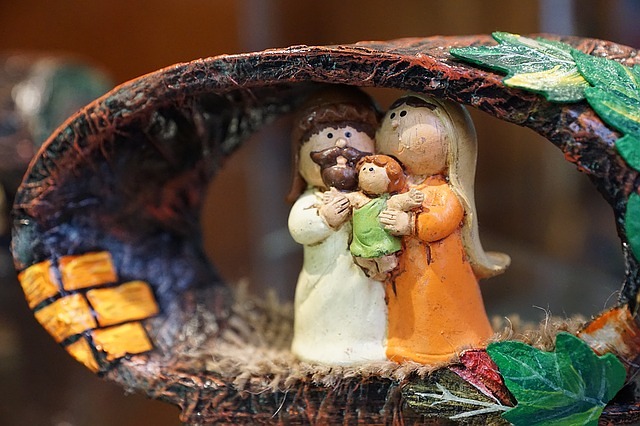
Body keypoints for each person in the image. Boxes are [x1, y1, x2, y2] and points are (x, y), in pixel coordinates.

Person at [376, 94, 510, 365]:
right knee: (408, 306)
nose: (396, 125)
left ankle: (442, 346)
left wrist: (409, 225)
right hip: (407, 269)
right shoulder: (398, 189)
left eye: (407, 118)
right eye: (394, 116)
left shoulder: (445, 192)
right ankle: (405, 343)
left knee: (434, 305)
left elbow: (439, 223)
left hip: (437, 271)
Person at [287, 86, 387, 365]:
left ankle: (371, 343)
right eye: (329, 136)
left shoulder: (373, 197)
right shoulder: (313, 199)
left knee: (370, 309)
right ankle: (318, 345)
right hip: (324, 283)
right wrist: (324, 219)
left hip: (366, 284)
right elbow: (299, 227)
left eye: (352, 135)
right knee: (323, 310)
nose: (342, 144)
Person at [318, 154, 423, 280]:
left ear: (391, 180)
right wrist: (334, 197)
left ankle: (386, 273)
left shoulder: (387, 201)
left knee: (386, 261)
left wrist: (411, 199)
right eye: (364, 169)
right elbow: (344, 199)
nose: (367, 172)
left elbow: (401, 201)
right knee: (362, 259)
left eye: (372, 169)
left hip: (383, 243)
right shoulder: (357, 198)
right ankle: (372, 271)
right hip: (361, 243)